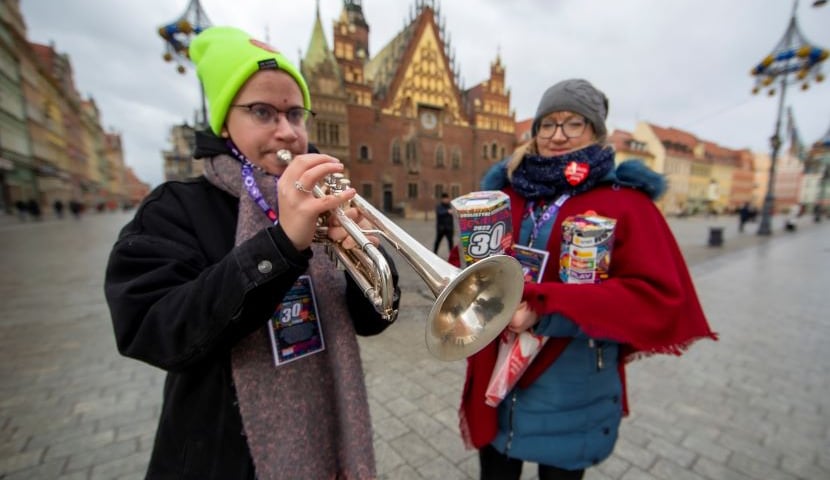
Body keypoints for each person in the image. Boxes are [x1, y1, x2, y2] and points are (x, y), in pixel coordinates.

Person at [104, 26, 400, 480]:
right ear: (224, 121)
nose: (287, 131)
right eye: (263, 112)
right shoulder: (176, 207)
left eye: (296, 114)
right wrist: (282, 244)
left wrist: (367, 257)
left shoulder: (325, 194)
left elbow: (372, 321)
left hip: (329, 438)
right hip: (224, 458)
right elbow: (153, 331)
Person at [455, 78, 717, 480]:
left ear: (595, 131)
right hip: (497, 372)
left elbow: (651, 296)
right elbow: (468, 265)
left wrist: (544, 309)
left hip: (572, 382)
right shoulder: (506, 194)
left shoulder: (625, 202)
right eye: (548, 123)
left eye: (573, 123)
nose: (557, 135)